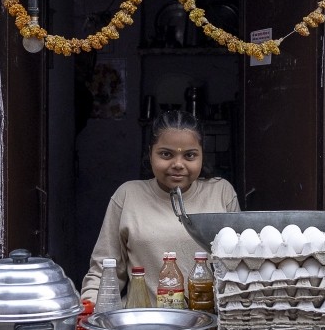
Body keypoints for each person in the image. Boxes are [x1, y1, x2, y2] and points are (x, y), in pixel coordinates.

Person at [80, 110, 239, 303]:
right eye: (166, 154)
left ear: (202, 155)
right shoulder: (128, 196)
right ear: (150, 153)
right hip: (143, 324)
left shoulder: (221, 193)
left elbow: (238, 268)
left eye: (189, 155)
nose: (178, 164)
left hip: (207, 322)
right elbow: (103, 273)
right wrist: (88, 312)